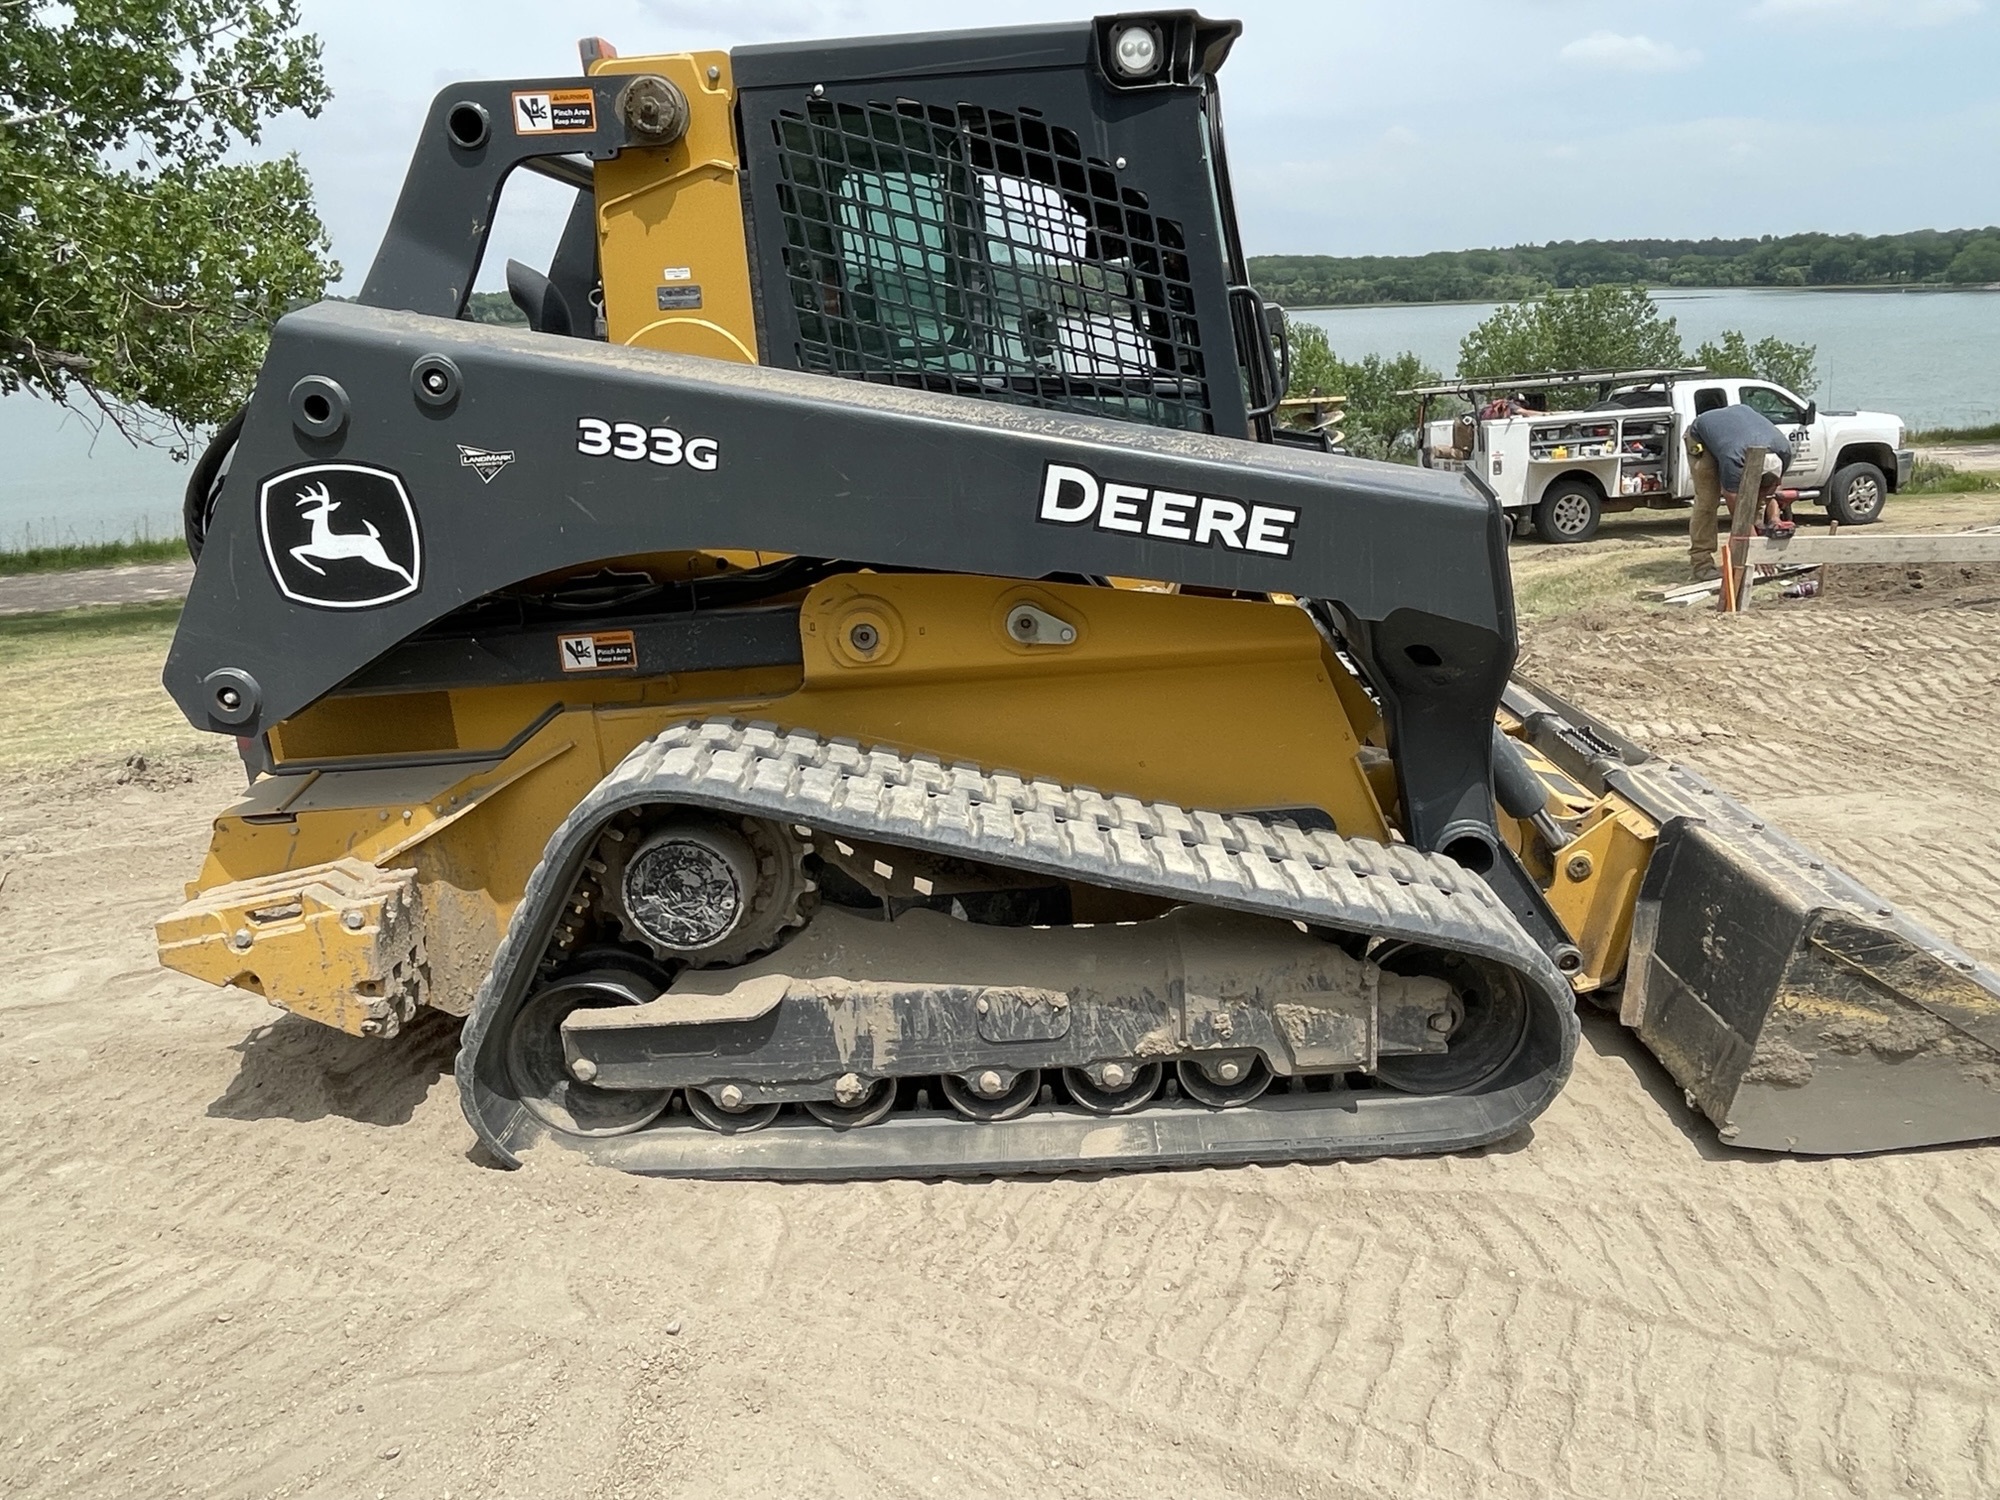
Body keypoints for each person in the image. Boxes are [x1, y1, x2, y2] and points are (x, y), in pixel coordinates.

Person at [1683, 402, 1793, 582]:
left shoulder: (1784, 452)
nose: (1764, 491)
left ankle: (1746, 559)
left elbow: (1773, 490)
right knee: (1707, 501)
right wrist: (1756, 546)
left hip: (1736, 437)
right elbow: (1739, 515)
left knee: (1756, 501)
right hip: (1702, 436)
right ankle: (1701, 565)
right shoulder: (1734, 461)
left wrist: (1775, 518)